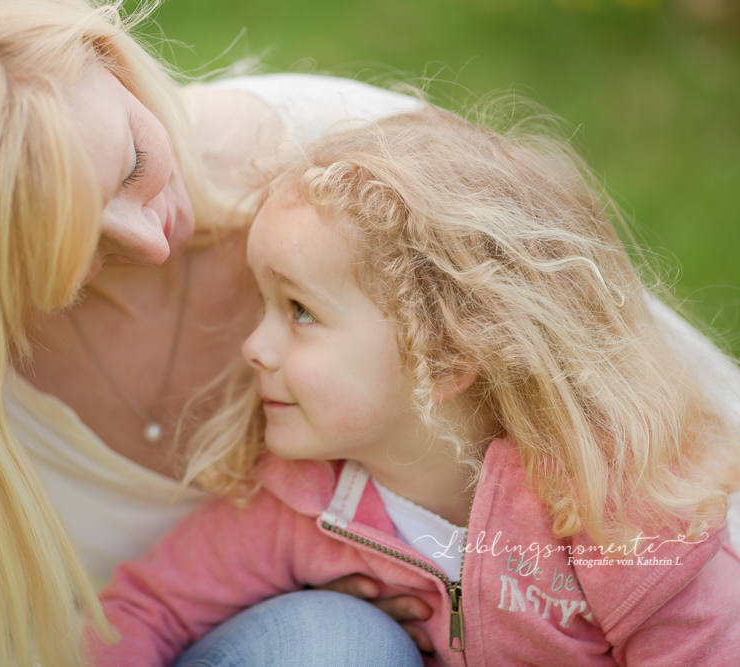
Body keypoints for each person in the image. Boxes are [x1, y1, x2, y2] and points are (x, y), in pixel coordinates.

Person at [0, 0, 740, 665]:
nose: (150, 235)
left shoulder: (362, 184)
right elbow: (145, 611)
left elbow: (669, 436)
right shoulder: (298, 510)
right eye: (54, 247)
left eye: (130, 161)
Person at [94, 109, 740, 666]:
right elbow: (143, 608)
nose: (254, 346)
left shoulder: (618, 509)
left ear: (447, 352)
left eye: (299, 311)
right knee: (333, 640)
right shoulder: (303, 506)